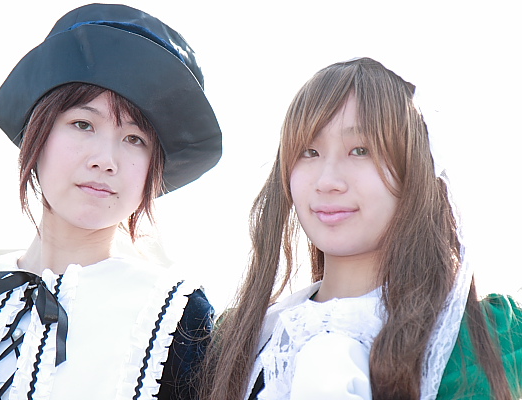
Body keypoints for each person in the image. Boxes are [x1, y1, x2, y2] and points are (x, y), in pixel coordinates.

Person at [0, 3, 221, 400]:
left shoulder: (176, 321)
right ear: (38, 132)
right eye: (83, 124)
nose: (105, 160)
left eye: (135, 139)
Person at [199, 57, 522, 399]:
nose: (327, 181)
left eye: (360, 150)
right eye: (309, 152)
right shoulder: (238, 341)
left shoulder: (489, 341)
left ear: (414, 167)